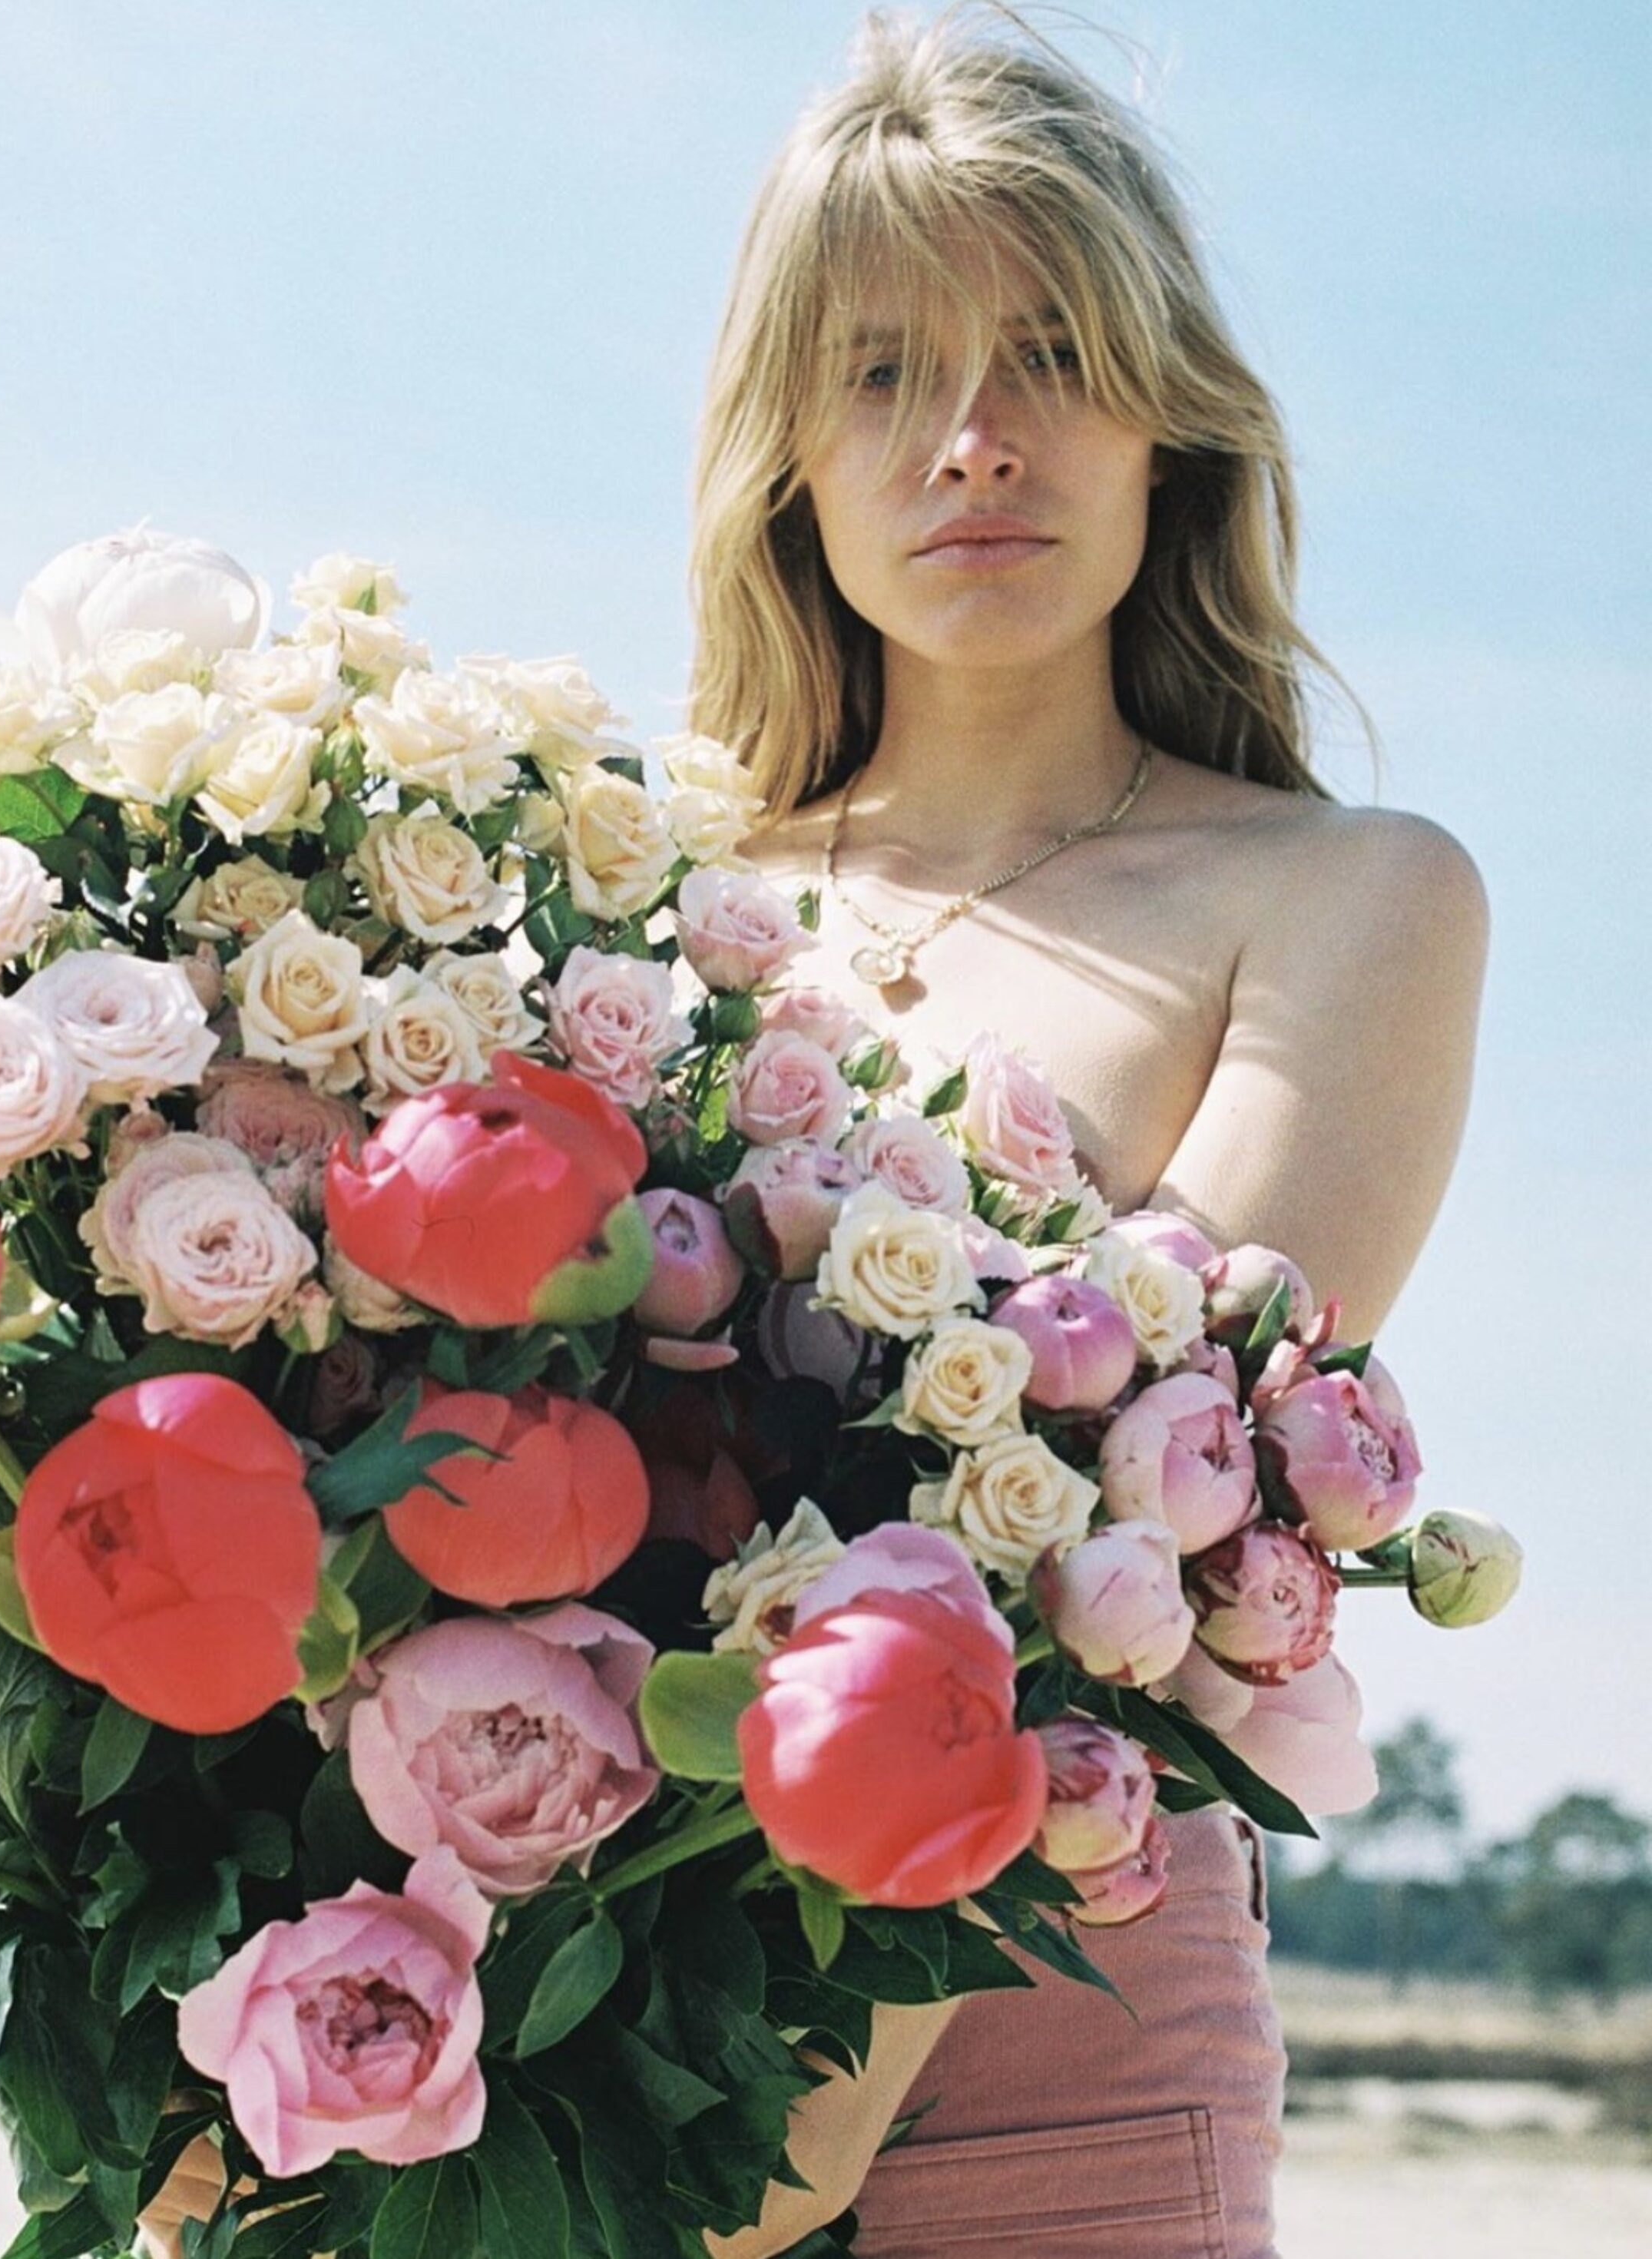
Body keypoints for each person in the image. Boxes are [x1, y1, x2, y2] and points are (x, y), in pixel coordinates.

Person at [687, 7, 1487, 2256]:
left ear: (1171, 420)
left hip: (1052, 2050)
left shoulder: (1353, 901)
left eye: (1049, 349)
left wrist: (774, 2154)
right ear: (788, 462)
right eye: (878, 371)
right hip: (599, 2053)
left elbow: (1122, 1547)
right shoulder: (659, 905)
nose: (971, 439)